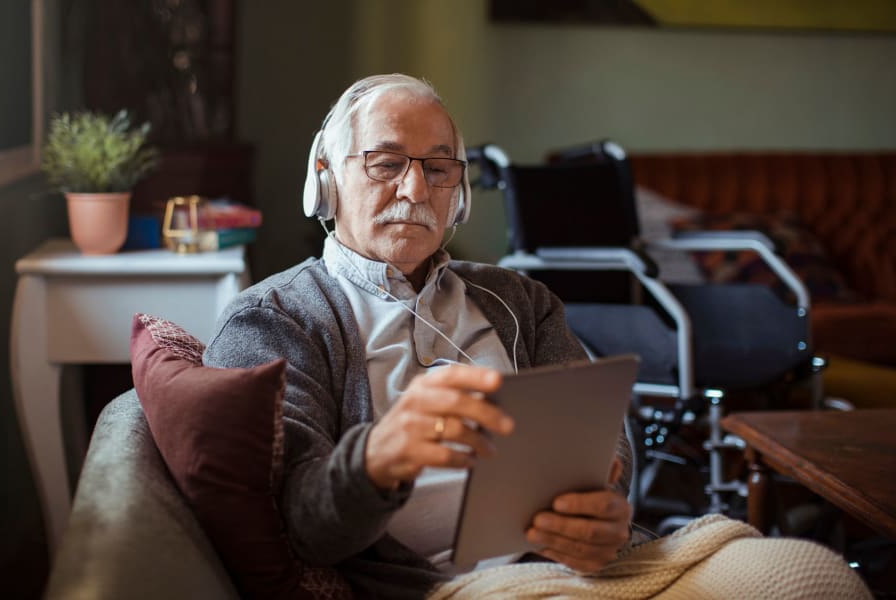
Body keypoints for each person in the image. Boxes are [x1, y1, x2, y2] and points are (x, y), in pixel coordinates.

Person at [203, 73, 635, 598]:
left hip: (579, 574)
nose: (415, 189)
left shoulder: (524, 302)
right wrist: (376, 459)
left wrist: (601, 509)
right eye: (385, 164)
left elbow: (600, 435)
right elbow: (297, 524)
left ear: (461, 191)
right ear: (326, 180)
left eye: (438, 168)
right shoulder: (273, 320)